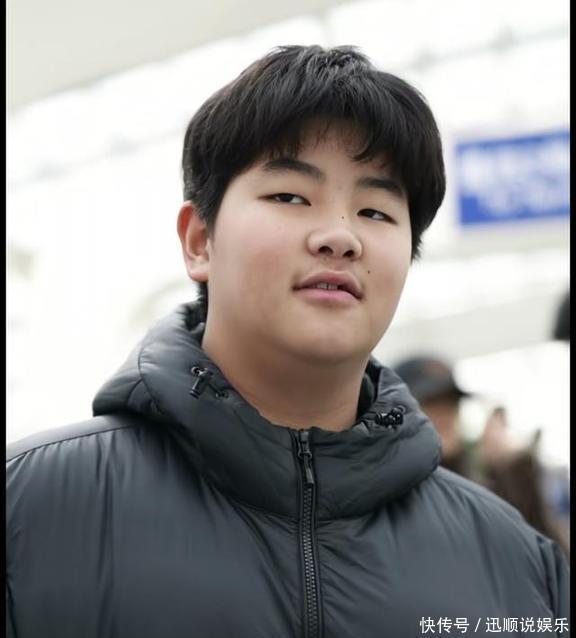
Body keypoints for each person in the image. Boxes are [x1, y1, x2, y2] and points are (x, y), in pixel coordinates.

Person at [6, 46, 569, 638]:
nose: (340, 237)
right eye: (290, 197)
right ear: (200, 241)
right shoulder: (31, 509)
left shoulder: (518, 564)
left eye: (376, 211)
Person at [393, 354, 570, 556]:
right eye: (430, 403)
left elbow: (546, 550)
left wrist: (517, 469)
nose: (444, 414)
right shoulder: (398, 490)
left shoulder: (492, 472)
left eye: (450, 401)